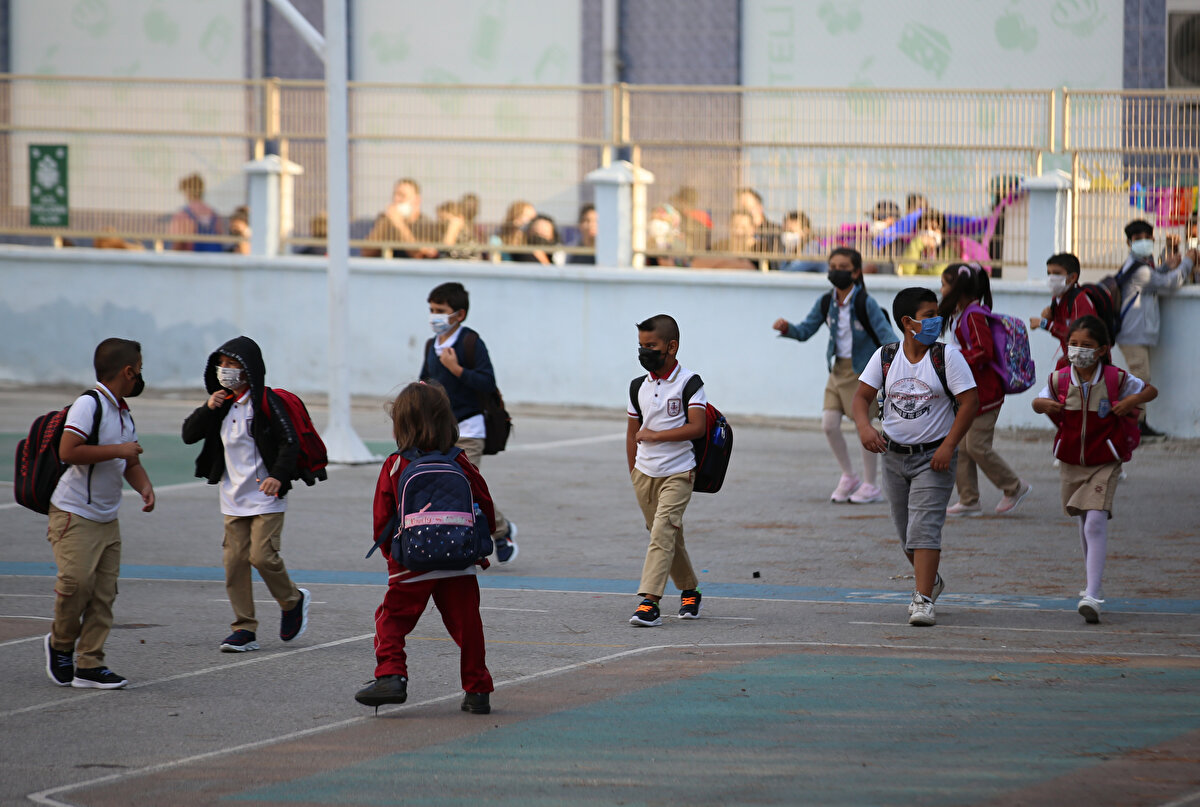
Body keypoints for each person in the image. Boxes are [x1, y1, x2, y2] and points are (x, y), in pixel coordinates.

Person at [354, 381, 496, 714]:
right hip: (458, 558)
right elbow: (485, 505)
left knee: (391, 619)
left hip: (412, 561)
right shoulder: (459, 461)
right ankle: (478, 690)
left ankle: (391, 675)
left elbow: (382, 518)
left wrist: (394, 557)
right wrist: (477, 547)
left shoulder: (395, 464)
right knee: (467, 624)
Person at [853, 287, 979, 626]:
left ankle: (922, 599)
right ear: (908, 322)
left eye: (938, 313)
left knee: (924, 528)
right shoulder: (885, 356)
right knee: (906, 533)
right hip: (893, 457)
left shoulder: (947, 357)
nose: (937, 321)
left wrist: (949, 446)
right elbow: (860, 398)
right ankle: (932, 580)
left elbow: (970, 402)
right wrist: (865, 428)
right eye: (928, 315)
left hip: (934, 458)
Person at [181, 336, 311, 653]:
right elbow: (188, 435)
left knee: (262, 557)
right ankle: (243, 628)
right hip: (233, 497)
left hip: (267, 495)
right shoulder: (221, 404)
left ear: (248, 369)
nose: (225, 370)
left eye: (232, 365)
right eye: (221, 364)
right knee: (234, 562)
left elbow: (289, 441)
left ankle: (292, 600)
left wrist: (278, 476)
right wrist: (207, 408)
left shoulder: (266, 402)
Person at [43, 338, 155, 689]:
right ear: (128, 370)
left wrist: (144, 486)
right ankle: (61, 643)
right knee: (77, 584)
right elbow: (68, 450)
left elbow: (129, 460)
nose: (140, 376)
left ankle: (90, 663)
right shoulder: (88, 405)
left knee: (104, 594)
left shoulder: (122, 411)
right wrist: (117, 449)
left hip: (108, 518)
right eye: (139, 369)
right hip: (74, 514)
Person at [1030, 315, 1157, 623]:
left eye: (1086, 345)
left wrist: (1131, 403)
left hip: (1105, 460)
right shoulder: (1059, 379)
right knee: (1085, 519)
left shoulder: (1115, 378)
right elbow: (1038, 402)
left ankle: (1093, 595)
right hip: (1071, 462)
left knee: (1095, 522)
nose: (1078, 350)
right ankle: (1091, 584)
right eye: (1073, 344)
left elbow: (1149, 391)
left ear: (1102, 350)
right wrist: (1042, 406)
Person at [773, 247, 896, 504]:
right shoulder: (827, 302)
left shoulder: (866, 303)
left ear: (856, 272)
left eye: (843, 268)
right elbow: (806, 330)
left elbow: (888, 337)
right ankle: (849, 476)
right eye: (833, 267)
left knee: (865, 426)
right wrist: (788, 329)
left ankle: (871, 484)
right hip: (837, 370)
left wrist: (897, 362)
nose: (837, 272)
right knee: (829, 424)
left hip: (862, 371)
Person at [419, 282, 519, 562]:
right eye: (431, 310)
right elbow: (425, 382)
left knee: (464, 486)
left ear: (459, 314)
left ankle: (489, 537)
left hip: (470, 429)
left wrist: (456, 369)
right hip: (439, 431)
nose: (434, 316)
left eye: (441, 311)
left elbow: (487, 382)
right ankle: (500, 529)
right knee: (443, 486)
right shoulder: (431, 345)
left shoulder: (470, 342)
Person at [627, 314, 708, 627]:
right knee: (667, 534)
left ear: (671, 347)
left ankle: (650, 601)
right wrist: (634, 470)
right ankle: (690, 589)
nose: (644, 352)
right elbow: (632, 432)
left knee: (662, 533)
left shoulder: (690, 383)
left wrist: (657, 436)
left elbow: (697, 427)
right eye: (640, 346)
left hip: (678, 472)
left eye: (651, 346)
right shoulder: (638, 387)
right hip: (644, 474)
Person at [938, 264, 1032, 516]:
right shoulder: (965, 313)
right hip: (971, 392)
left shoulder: (973, 315)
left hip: (985, 394)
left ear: (958, 288)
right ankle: (969, 500)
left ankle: (1014, 486)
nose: (941, 289)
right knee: (961, 446)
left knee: (977, 446)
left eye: (944, 284)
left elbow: (983, 351)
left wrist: (954, 356)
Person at [1115, 219, 1191, 437]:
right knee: (1140, 378)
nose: (1144, 242)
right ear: (1129, 243)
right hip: (1132, 334)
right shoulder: (1140, 270)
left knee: (1140, 379)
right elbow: (1169, 283)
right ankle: (1135, 425)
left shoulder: (1140, 265)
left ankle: (1137, 424)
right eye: (1138, 239)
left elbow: (1157, 276)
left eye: (1147, 238)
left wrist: (1168, 265)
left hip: (1135, 333)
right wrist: (1187, 262)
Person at [1029, 253, 1097, 363]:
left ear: (1072, 278)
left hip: (1087, 362)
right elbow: (1061, 330)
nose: (1051, 278)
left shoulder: (1079, 300)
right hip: (1071, 358)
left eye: (1056, 273)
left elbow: (1077, 336)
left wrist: (1044, 323)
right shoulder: (1057, 299)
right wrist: (1049, 319)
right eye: (1049, 273)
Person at [361, 178, 443, 259]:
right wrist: (385, 222)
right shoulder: (384, 219)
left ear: (417, 200)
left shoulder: (425, 223)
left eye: (402, 195)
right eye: (395, 195)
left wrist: (398, 223)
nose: (396, 199)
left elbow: (418, 254)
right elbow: (366, 253)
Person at [169, 173, 223, 252]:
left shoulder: (183, 215)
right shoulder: (214, 214)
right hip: (213, 260)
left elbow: (178, 242)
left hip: (191, 260)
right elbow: (220, 237)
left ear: (187, 191)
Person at [693, 209, 758, 270]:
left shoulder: (758, 249)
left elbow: (756, 269)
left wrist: (720, 265)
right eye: (735, 226)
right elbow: (696, 264)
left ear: (752, 229)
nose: (739, 231)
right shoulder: (719, 246)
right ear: (728, 226)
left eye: (744, 228)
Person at [897, 210, 951, 276]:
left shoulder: (948, 250)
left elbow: (939, 273)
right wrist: (917, 244)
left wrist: (916, 273)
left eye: (934, 228)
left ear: (942, 232)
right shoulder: (913, 246)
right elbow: (907, 272)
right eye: (925, 228)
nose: (929, 231)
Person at [737, 186, 782, 254]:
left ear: (760, 207)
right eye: (741, 209)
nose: (744, 213)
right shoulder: (737, 231)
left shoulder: (774, 230)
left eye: (747, 208)